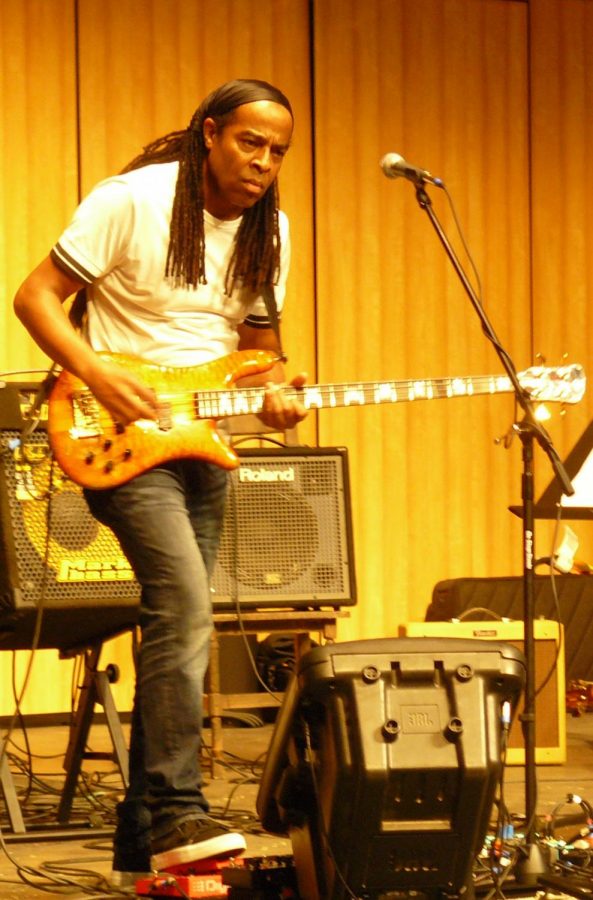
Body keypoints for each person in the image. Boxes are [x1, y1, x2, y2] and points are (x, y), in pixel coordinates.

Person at [13, 78, 307, 887]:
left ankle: (143, 843)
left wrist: (275, 392)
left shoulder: (268, 229)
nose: (263, 162)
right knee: (181, 604)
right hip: (113, 436)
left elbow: (259, 345)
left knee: (180, 617)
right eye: (250, 142)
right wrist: (98, 374)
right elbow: (34, 297)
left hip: (200, 439)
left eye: (278, 151)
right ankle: (178, 805)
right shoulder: (133, 200)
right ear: (210, 133)